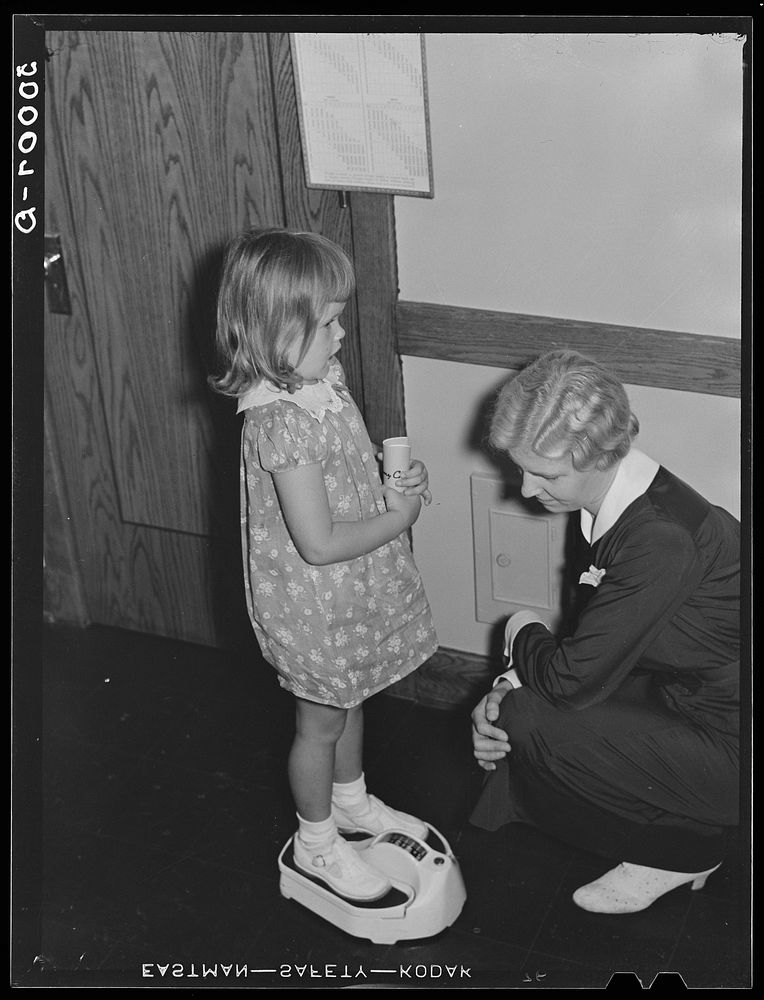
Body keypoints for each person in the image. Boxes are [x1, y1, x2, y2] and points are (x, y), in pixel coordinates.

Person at [210, 227, 437, 902]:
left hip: (347, 590)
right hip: (312, 600)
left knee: (349, 699)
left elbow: (344, 473)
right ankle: (316, 845)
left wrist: (390, 482)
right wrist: (399, 520)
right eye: (330, 323)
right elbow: (316, 541)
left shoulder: (321, 383)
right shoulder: (277, 422)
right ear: (278, 335)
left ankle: (353, 801)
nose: (342, 336)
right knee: (319, 723)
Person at [470, 349, 740, 914]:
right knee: (513, 705)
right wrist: (508, 680)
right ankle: (682, 830)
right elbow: (593, 647)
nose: (523, 489)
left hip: (736, 743)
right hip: (686, 695)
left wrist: (519, 630)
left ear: (598, 453)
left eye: (543, 473)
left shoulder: (659, 538)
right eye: (521, 467)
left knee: (528, 718)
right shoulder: (616, 504)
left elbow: (570, 681)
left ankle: (686, 848)